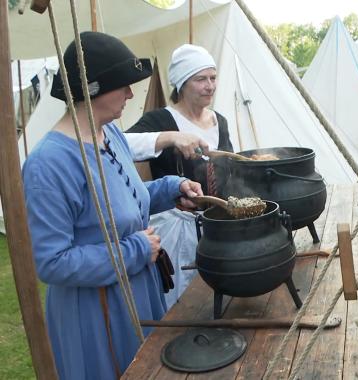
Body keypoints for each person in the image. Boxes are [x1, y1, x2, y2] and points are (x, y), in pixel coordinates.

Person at [22, 32, 203, 379]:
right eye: (123, 85)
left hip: (137, 291)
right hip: (96, 312)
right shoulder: (49, 164)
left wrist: (172, 188)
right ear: (93, 89)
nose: (131, 94)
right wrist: (135, 249)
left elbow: (122, 204)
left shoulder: (111, 134)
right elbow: (52, 263)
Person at [126, 44, 234, 306]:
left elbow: (229, 172)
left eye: (212, 77)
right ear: (182, 83)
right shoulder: (161, 119)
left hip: (217, 224)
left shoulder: (219, 120)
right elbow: (120, 144)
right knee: (182, 299)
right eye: (200, 79)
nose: (210, 85)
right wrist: (170, 138)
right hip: (177, 226)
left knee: (218, 295)